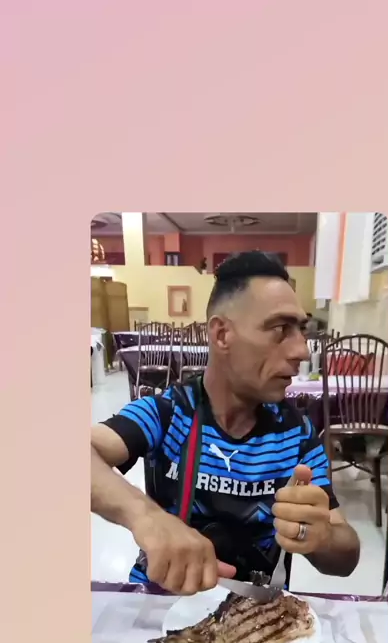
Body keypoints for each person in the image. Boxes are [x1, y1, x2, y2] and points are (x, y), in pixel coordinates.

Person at [91, 251, 360, 595]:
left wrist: (323, 537)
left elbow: (346, 557)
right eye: (280, 329)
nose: (302, 351)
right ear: (221, 335)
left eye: (301, 330)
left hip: (257, 614)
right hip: (162, 604)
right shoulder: (169, 413)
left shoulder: (298, 435)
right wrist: (147, 517)